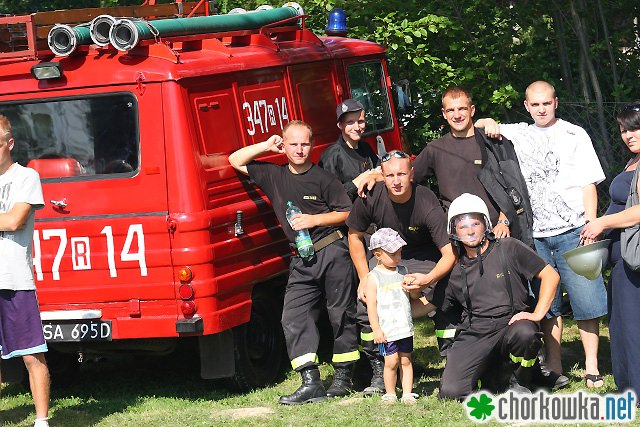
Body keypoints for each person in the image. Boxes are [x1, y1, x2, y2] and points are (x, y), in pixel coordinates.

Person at [477, 80, 607, 389]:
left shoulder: (575, 134)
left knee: (587, 304)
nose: (541, 109)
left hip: (576, 229)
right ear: (526, 106)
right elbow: (479, 123)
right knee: (547, 307)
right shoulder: (520, 132)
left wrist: (591, 222)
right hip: (535, 236)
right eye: (535, 104)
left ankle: (591, 367)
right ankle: (555, 366)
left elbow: (589, 183)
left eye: (546, 103)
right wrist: (491, 122)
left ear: (556, 102)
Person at [228, 120, 360, 404]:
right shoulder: (272, 174)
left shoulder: (324, 179)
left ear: (312, 146)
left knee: (340, 314)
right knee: (293, 315)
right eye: (293, 144)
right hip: (301, 257)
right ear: (284, 146)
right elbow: (234, 160)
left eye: (305, 144)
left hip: (331, 250)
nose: (300, 150)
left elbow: (347, 213)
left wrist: (315, 219)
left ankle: (343, 377)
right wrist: (265, 145)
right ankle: (310, 381)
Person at [438, 193, 559, 400]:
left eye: (475, 223)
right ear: (453, 231)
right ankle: (493, 374)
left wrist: (537, 314)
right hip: (476, 331)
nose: (470, 230)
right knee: (451, 392)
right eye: (463, 226)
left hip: (512, 322)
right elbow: (431, 304)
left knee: (525, 333)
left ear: (485, 224)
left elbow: (550, 275)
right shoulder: (454, 268)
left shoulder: (509, 247)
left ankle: (522, 381)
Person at [346, 150, 457, 352]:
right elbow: (354, 236)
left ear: (411, 174)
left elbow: (449, 254)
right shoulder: (371, 195)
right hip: (388, 258)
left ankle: (451, 353)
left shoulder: (426, 201)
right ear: (382, 175)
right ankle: (379, 364)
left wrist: (428, 279)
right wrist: (364, 279)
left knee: (447, 290)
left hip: (424, 258)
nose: (396, 181)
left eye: (401, 174)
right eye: (390, 175)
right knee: (365, 301)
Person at [318, 99, 385, 396]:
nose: (357, 126)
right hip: (344, 241)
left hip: (372, 236)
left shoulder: (367, 149)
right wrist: (356, 181)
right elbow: (327, 201)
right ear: (339, 126)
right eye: (350, 122)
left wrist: (375, 175)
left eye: (360, 120)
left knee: (374, 302)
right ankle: (345, 374)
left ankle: (380, 366)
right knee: (346, 308)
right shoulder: (331, 157)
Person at [413, 86, 533, 246]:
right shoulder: (434, 150)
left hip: (497, 234)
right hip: (459, 239)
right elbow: (406, 179)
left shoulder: (493, 143)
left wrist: (504, 221)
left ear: (472, 110)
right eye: (450, 110)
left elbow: (513, 185)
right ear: (443, 113)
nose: (457, 115)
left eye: (462, 109)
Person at [581, 102, 640, 399]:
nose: (628, 135)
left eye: (634, 128)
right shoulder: (632, 162)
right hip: (622, 260)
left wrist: (602, 223)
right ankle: (629, 385)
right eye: (623, 130)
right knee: (622, 323)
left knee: (633, 324)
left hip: (636, 259)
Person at [0, 115, 50, 427]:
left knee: (31, 354)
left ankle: (42, 421)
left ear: (9, 144)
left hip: (13, 278)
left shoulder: (26, 178)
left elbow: (14, 221)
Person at [365, 228, 420, 405]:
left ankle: (407, 393)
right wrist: (376, 329)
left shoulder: (403, 270)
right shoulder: (374, 277)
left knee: (406, 359)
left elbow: (413, 297)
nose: (398, 258)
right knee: (391, 361)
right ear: (378, 255)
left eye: (399, 253)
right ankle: (390, 392)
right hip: (387, 330)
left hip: (404, 326)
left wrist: (413, 287)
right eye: (393, 254)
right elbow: (371, 305)